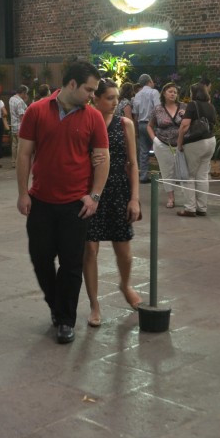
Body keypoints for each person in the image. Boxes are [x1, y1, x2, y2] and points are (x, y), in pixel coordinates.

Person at [17, 60, 109, 344]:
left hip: (75, 205)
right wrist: (23, 193)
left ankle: (65, 320)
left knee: (71, 265)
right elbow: (24, 155)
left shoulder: (92, 117)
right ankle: (57, 307)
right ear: (71, 84)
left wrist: (94, 197)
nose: (92, 96)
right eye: (88, 90)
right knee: (40, 259)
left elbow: (102, 158)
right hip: (41, 201)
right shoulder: (36, 111)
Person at [84, 78, 141, 327]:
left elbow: (133, 164)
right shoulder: (86, 122)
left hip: (119, 189)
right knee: (90, 249)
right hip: (91, 190)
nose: (115, 102)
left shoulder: (125, 124)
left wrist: (135, 198)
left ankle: (125, 284)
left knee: (124, 250)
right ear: (95, 99)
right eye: (109, 98)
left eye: (116, 98)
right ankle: (94, 303)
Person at [177, 82, 218, 217]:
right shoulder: (211, 106)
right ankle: (202, 207)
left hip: (195, 143)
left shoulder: (192, 104)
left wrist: (179, 143)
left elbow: (184, 126)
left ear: (193, 93)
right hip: (210, 141)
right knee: (202, 176)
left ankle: (190, 208)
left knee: (189, 175)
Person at [146, 82, 184, 210]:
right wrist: (154, 139)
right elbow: (149, 126)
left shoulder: (183, 106)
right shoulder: (158, 109)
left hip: (181, 145)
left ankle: (188, 197)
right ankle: (171, 198)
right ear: (164, 93)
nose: (173, 94)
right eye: (170, 91)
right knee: (167, 171)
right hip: (163, 143)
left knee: (183, 171)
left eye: (175, 92)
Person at [132, 74, 160, 183]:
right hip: (152, 124)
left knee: (143, 151)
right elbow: (158, 108)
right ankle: (163, 175)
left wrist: (136, 128)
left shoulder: (137, 95)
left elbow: (135, 114)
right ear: (150, 81)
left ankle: (143, 176)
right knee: (159, 148)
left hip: (141, 124)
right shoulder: (154, 92)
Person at [8, 86, 29, 168]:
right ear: (23, 92)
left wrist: (24, 102)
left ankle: (13, 162)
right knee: (21, 146)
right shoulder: (20, 102)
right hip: (20, 126)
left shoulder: (11, 99)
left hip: (13, 125)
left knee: (14, 145)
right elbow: (22, 116)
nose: (26, 95)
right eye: (26, 93)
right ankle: (19, 162)